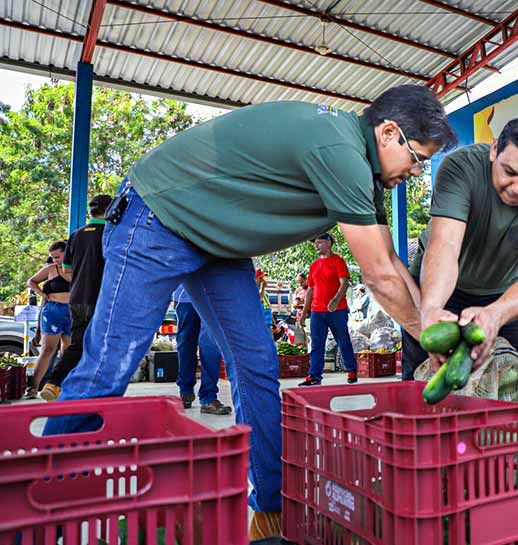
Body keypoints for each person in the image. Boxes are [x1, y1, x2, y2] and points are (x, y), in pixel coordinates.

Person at [43, 84, 456, 543]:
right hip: (157, 215)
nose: (417, 172)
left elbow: (393, 263)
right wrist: (433, 340)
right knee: (109, 365)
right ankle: (38, 502)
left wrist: (434, 326)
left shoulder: (364, 168)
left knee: (257, 364)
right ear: (390, 132)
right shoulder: (338, 148)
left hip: (215, 242)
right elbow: (378, 276)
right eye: (418, 159)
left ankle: (271, 512)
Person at [402, 115, 518, 399]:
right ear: (494, 150)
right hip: (442, 285)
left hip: (504, 292)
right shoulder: (461, 167)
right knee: (422, 363)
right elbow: (445, 245)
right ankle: (416, 430)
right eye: (509, 172)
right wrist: (431, 308)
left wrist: (495, 314)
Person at [40, 195, 112, 401]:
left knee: (77, 343)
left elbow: (67, 270)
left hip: (78, 297)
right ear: (109, 210)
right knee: (103, 344)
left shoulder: (76, 234)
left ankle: (54, 383)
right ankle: (94, 389)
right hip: (101, 298)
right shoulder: (111, 233)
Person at [298, 233, 358, 385]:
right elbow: (310, 290)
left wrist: (336, 300)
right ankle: (314, 376)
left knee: (343, 340)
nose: (316, 245)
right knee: (317, 344)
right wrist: (305, 312)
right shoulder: (314, 265)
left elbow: (344, 283)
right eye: (315, 243)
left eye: (319, 242)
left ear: (329, 243)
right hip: (317, 312)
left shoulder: (338, 261)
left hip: (337, 311)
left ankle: (351, 370)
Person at [172, 285, 232, 415]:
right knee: (186, 345)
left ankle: (208, 398)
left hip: (211, 296)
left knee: (210, 344)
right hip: (184, 295)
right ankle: (185, 391)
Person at [27, 240, 71, 398]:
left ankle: (57, 386)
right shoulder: (51, 269)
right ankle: (33, 388)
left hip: (74, 311)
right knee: (47, 350)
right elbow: (31, 281)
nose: (55, 260)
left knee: (68, 351)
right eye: (52, 257)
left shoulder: (79, 267)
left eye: (57, 256)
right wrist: (43, 294)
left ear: (68, 253)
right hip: (53, 310)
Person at [292, 272, 308, 347]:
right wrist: (301, 304)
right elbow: (294, 304)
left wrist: (302, 304)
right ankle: (302, 358)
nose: (300, 284)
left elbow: (312, 305)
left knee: (310, 341)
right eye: (299, 282)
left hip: (308, 319)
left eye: (302, 282)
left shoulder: (312, 289)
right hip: (298, 319)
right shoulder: (297, 290)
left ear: (306, 279)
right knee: (299, 343)